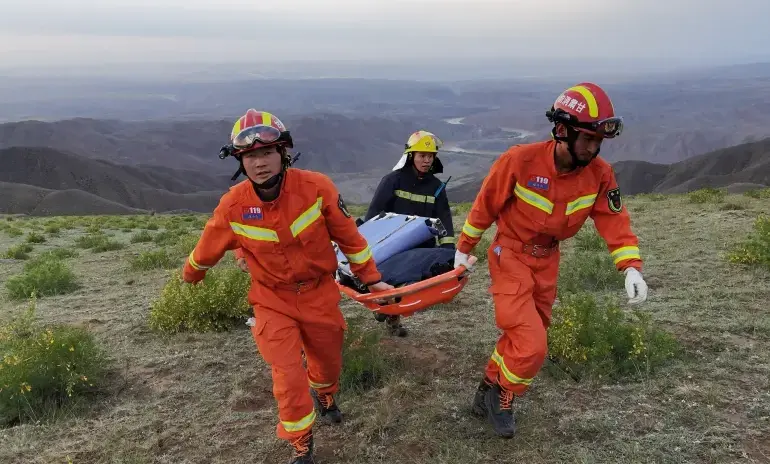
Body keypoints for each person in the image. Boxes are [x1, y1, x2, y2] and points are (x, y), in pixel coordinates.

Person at [182, 109, 394, 464]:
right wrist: (190, 276)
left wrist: (371, 279)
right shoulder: (233, 206)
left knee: (326, 363)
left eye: (266, 153)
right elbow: (208, 246)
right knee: (287, 374)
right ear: (240, 161)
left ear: (283, 153)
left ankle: (325, 394)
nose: (259, 163)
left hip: (319, 294)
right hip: (271, 300)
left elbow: (350, 238)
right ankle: (301, 444)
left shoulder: (316, 188)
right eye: (250, 156)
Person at [453, 83, 649, 438]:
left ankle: (485, 390)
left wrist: (630, 266)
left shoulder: (600, 173)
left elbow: (613, 219)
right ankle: (504, 395)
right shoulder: (520, 160)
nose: (593, 147)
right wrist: (464, 247)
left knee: (525, 336)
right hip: (509, 255)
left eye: (598, 141)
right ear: (562, 131)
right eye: (587, 138)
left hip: (548, 261)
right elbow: (485, 205)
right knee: (531, 344)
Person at [363, 130, 456, 337]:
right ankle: (388, 313)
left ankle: (391, 315)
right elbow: (374, 213)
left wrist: (448, 248)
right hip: (393, 243)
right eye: (422, 155)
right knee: (391, 280)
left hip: (422, 245)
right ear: (411, 156)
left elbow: (444, 217)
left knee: (408, 284)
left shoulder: (436, 187)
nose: (426, 160)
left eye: (430, 156)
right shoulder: (392, 181)